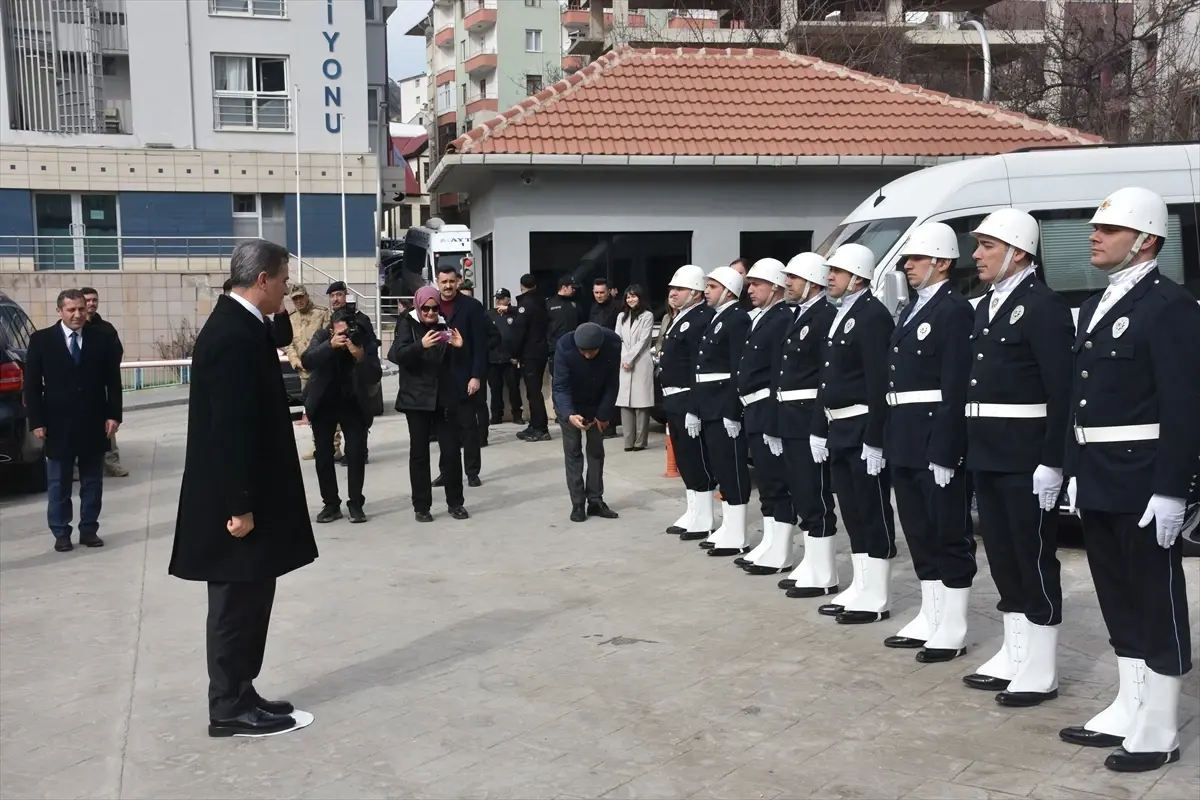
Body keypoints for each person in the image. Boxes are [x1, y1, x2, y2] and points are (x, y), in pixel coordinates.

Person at [1058, 188, 1200, 772]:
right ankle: (1129, 702)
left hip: (1143, 478)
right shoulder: (1096, 305)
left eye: (1107, 229)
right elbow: (1077, 399)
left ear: (1145, 241)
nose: (1093, 236)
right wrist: (1069, 466)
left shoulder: (1170, 307)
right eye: (1094, 227)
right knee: (1116, 591)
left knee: (1155, 595)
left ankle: (1161, 722)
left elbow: (1184, 405)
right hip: (1098, 474)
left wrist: (1173, 490)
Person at [170, 239, 319, 738]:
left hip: (253, 493)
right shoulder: (232, 335)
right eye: (282, 280)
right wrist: (239, 504)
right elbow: (228, 428)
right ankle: (228, 708)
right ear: (261, 280)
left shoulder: (245, 325)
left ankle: (243, 689)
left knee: (254, 597)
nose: (286, 290)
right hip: (238, 501)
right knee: (236, 605)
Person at [959, 208, 1073, 708]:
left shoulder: (1042, 306)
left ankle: (1042, 667)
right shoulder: (985, 306)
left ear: (1018, 252)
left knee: (1033, 557)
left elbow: (1061, 390)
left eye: (987, 246)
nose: (976, 255)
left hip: (1026, 457)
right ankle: (1015, 651)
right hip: (988, 452)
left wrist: (1053, 460)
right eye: (977, 245)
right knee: (1003, 557)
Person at [880, 224, 976, 662]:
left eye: (915, 259)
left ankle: (953, 623)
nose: (906, 266)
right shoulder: (912, 308)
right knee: (918, 529)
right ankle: (931, 612)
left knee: (947, 530)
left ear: (941, 261)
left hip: (934, 434)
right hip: (904, 434)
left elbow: (955, 384)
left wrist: (946, 445)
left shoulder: (954, 311)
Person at [811, 243, 897, 625]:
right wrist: (821, 427)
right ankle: (861, 586)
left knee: (873, 510)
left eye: (837, 272)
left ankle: (877, 594)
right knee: (853, 511)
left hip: (862, 426)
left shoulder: (872, 315)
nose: (829, 277)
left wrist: (876, 437)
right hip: (840, 426)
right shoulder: (843, 313)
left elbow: (880, 382)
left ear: (858, 276)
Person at [23, 288, 122, 553]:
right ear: (60, 311)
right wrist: (37, 421)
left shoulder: (101, 338)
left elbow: (113, 381)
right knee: (59, 483)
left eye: (81, 309)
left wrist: (114, 415)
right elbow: (31, 385)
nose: (78, 315)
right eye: (71, 310)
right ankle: (61, 532)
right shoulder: (42, 340)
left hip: (94, 421)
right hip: (57, 424)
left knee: (93, 481)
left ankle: (89, 529)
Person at [774, 253, 840, 599]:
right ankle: (812, 564)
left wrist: (819, 424)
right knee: (802, 491)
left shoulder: (825, 316)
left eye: (794, 278)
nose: (788, 284)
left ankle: (825, 572)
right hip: (791, 416)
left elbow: (824, 376)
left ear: (812, 281)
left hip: (808, 415)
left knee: (815, 493)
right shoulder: (800, 315)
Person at [732, 259, 797, 576]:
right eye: (749, 284)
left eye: (756, 284)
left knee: (776, 482)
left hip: (767, 407)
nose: (750, 289)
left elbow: (777, 374)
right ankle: (770, 543)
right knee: (768, 484)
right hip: (754, 409)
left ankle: (781, 550)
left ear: (775, 286)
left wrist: (773, 420)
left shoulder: (782, 318)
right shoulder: (763, 318)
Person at [390, 286, 471, 522]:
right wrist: (420, 345)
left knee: (451, 452)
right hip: (416, 399)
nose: (430, 312)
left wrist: (459, 347)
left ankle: (456, 503)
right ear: (418, 306)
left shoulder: (445, 325)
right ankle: (421, 506)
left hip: (444, 398)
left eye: (435, 308)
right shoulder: (407, 323)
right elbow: (398, 355)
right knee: (419, 454)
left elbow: (457, 363)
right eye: (426, 308)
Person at [301, 306, 382, 524]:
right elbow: (307, 360)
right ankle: (331, 504)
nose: (343, 337)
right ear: (331, 330)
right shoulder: (322, 336)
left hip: (353, 403)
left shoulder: (361, 338)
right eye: (338, 333)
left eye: (346, 332)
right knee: (324, 455)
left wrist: (360, 355)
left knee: (356, 453)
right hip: (324, 403)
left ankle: (356, 504)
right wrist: (330, 346)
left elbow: (375, 374)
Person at [656, 265, 717, 538]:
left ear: (694, 293)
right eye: (672, 288)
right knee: (684, 459)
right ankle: (693, 510)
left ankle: (704, 517)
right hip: (674, 399)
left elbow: (698, 365)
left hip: (687, 398)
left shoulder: (702, 318)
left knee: (696, 459)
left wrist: (695, 406)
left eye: (679, 289)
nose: (673, 293)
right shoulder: (681, 317)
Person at [696, 266, 753, 556]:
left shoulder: (736, 319)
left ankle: (738, 532)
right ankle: (728, 527)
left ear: (729, 290)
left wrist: (733, 409)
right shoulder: (718, 318)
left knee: (731, 467)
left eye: (713, 286)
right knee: (720, 466)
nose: (706, 291)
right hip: (710, 403)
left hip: (722, 404)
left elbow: (736, 369)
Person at [552, 322, 621, 522]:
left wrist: (603, 415)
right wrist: (569, 414)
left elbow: (612, 383)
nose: (588, 356)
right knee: (573, 452)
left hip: (597, 402)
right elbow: (560, 387)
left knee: (596, 452)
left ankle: (596, 501)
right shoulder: (565, 346)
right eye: (584, 352)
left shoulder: (613, 344)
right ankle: (578, 503)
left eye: (592, 352)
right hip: (571, 405)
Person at [426, 265, 489, 487]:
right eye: (443, 282)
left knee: (468, 427)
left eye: (451, 281)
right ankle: (447, 471)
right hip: (440, 378)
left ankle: (472, 472)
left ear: (458, 281)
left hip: (465, 376)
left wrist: (476, 376)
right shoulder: (431, 307)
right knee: (445, 430)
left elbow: (481, 345)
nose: (448, 286)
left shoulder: (472, 307)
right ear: (437, 282)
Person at [325, 281, 380, 463]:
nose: (335, 299)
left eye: (339, 295)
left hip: (360, 371)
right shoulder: (331, 319)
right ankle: (349, 450)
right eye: (332, 296)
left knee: (360, 412)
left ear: (346, 295)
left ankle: (360, 452)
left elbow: (371, 344)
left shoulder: (360, 318)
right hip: (342, 375)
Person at [81, 286, 128, 478]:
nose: (91, 304)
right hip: (78, 387)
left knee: (108, 424)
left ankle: (111, 462)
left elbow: (117, 353)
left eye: (94, 300)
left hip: (102, 385)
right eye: (87, 300)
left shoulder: (106, 329)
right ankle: (76, 466)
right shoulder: (73, 328)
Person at [284, 285, 332, 462]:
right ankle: (318, 446)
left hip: (321, 370)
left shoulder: (321, 313)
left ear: (306, 296)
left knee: (329, 408)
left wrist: (317, 360)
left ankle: (334, 447)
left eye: (300, 297)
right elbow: (288, 344)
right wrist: (296, 362)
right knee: (312, 410)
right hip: (303, 372)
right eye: (295, 299)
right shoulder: (291, 318)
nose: (298, 301)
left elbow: (327, 339)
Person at [614, 284, 655, 452]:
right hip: (624, 362)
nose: (631, 299)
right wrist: (625, 359)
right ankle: (628, 441)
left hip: (641, 362)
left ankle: (640, 441)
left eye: (634, 296)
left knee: (641, 404)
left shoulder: (647, 316)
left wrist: (630, 358)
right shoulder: (621, 316)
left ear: (640, 297)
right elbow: (618, 339)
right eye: (628, 297)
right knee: (625, 403)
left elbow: (644, 340)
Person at [459, 279, 493, 447]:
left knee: (479, 404)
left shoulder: (480, 314)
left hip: (478, 365)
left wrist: (483, 351)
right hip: (460, 366)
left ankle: (482, 436)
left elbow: (493, 337)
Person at [515, 273, 548, 440]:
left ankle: (540, 428)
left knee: (533, 392)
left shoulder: (526, 304)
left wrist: (514, 352)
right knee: (534, 391)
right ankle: (535, 424)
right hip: (540, 351)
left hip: (530, 353)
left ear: (522, 286)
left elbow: (520, 331)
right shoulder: (541, 301)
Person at [487, 288, 525, 426]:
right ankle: (496, 416)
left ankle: (517, 415)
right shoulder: (489, 314)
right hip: (493, 358)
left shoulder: (515, 314)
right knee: (495, 388)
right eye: (497, 297)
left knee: (514, 387)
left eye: (501, 298)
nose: (498, 300)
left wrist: (517, 355)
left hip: (511, 358)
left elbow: (523, 314)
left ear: (508, 300)